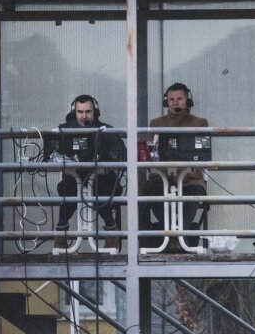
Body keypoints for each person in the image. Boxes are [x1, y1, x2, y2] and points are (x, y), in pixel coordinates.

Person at [140, 83, 208, 251]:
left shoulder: (200, 122)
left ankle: (178, 237)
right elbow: (152, 154)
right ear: (166, 102)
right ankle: (173, 236)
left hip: (190, 177)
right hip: (161, 176)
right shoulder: (156, 123)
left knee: (194, 194)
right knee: (151, 192)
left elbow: (204, 153)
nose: (175, 103)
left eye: (179, 99)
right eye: (171, 99)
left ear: (187, 100)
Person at [53, 95, 126, 250]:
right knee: (68, 189)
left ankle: (111, 232)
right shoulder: (63, 131)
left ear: (95, 112)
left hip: (102, 180)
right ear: (74, 112)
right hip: (73, 180)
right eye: (80, 112)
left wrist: (106, 164)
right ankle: (60, 234)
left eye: (88, 111)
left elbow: (121, 156)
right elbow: (54, 155)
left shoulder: (106, 131)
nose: (84, 116)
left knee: (99, 188)